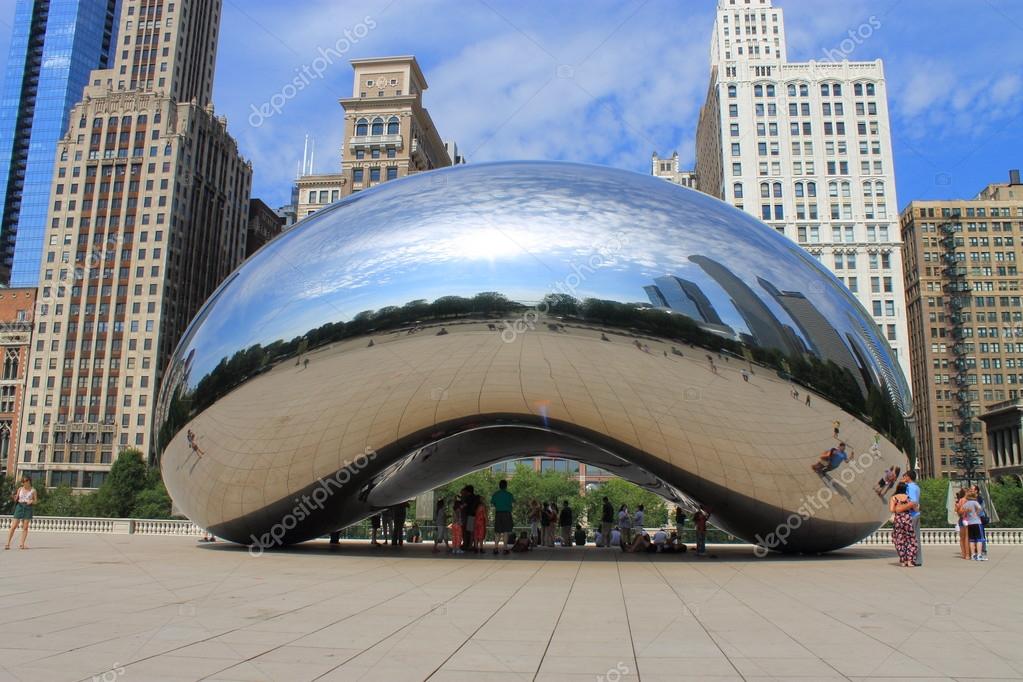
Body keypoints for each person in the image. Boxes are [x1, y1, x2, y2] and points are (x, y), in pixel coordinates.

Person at [889, 482, 919, 567]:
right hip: (907, 520)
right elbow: (916, 509)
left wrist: (898, 507)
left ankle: (903, 560)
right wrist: (906, 507)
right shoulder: (908, 498)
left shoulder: (894, 498)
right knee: (911, 539)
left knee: (899, 540)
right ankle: (910, 560)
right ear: (906, 489)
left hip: (898, 520)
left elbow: (891, 510)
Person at [6, 477, 36, 550]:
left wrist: (32, 501)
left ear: (29, 481)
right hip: (19, 506)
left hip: (28, 507)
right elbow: (16, 499)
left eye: (24, 481)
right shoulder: (20, 489)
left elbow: (36, 501)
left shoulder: (33, 490)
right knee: (13, 526)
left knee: (25, 527)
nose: (23, 483)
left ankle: (22, 544)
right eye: (22, 482)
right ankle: (7, 543)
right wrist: (14, 497)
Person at [901, 471, 922, 566]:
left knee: (910, 539)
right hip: (915, 514)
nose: (903, 477)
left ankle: (912, 559)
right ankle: (916, 559)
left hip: (911, 515)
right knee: (915, 538)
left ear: (908, 477)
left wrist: (899, 509)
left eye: (904, 476)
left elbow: (913, 502)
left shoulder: (910, 487)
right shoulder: (916, 486)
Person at [490, 479, 515, 555]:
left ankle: (495, 548)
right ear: (506, 486)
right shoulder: (509, 495)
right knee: (506, 532)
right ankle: (505, 548)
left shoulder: (495, 494)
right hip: (507, 514)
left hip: (498, 514)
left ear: (499, 486)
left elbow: (493, 503)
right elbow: (513, 504)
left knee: (497, 532)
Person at [962, 489, 987, 561]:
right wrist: (976, 513)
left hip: (970, 523)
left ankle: (973, 555)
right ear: (974, 496)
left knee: (972, 540)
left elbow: (963, 512)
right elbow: (980, 508)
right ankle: (979, 555)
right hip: (976, 522)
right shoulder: (975, 502)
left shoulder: (966, 504)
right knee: (979, 539)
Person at [971, 484, 990, 559]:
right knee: (973, 537)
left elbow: (981, 510)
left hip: (979, 520)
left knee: (981, 536)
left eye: (972, 489)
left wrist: (974, 514)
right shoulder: (971, 499)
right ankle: (975, 551)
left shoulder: (979, 498)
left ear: (976, 490)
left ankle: (983, 551)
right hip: (973, 520)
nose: (971, 491)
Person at [953, 488, 968, 560]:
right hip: (965, 519)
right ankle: (966, 554)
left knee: (962, 538)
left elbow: (956, 511)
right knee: (965, 537)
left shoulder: (960, 500)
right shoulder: (965, 500)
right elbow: (960, 511)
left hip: (961, 519)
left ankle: (964, 553)